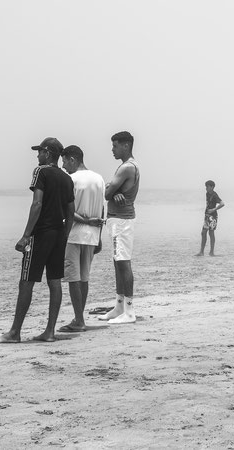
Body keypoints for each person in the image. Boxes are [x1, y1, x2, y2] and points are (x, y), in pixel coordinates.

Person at [0, 137, 75, 343]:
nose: (37, 155)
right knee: (54, 281)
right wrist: (64, 234)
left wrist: (26, 235)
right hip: (58, 234)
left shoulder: (41, 172)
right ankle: (49, 332)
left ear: (48, 153)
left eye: (39, 152)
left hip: (42, 233)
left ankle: (15, 332)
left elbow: (37, 204)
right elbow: (71, 210)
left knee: (26, 281)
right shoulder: (67, 178)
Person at [58, 145, 106, 333]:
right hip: (93, 234)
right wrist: (99, 236)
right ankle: (79, 317)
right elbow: (102, 210)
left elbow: (67, 210)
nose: (63, 166)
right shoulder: (99, 178)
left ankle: (79, 320)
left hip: (74, 233)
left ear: (72, 159)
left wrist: (85, 220)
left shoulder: (71, 179)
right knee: (84, 277)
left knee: (73, 278)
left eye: (64, 161)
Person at [98, 131, 140, 325]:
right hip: (119, 220)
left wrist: (111, 191)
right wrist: (113, 192)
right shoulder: (126, 167)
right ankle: (119, 306)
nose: (112, 150)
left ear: (125, 145)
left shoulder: (127, 168)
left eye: (115, 146)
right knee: (117, 261)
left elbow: (106, 192)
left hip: (122, 221)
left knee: (123, 263)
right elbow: (110, 191)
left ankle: (129, 311)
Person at [196, 180, 225, 256]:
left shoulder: (215, 195)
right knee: (203, 233)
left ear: (212, 187)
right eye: (206, 187)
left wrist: (214, 209)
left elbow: (222, 204)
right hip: (207, 216)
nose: (206, 188)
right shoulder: (207, 193)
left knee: (211, 233)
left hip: (213, 217)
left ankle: (211, 252)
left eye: (207, 187)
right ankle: (201, 252)